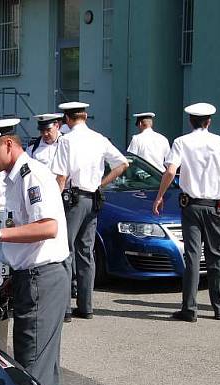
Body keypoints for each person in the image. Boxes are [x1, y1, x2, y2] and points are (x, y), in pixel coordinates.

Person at [0, 115, 68, 385]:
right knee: (40, 364)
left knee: (33, 368)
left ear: (8, 144)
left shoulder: (31, 176)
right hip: (32, 276)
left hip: (41, 278)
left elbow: (48, 227)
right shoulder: (15, 178)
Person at [152, 102, 220, 322]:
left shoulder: (182, 142)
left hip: (191, 205)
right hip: (216, 206)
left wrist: (159, 196)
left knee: (193, 256)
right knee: (218, 255)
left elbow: (170, 171)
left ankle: (189, 308)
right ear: (209, 121)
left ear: (190, 121)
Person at [51, 101, 128, 321]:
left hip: (73, 199)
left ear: (67, 119)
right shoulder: (99, 139)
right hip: (93, 198)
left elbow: (61, 177)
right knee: (86, 252)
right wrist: (101, 184)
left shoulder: (66, 141)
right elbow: (123, 164)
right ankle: (86, 306)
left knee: (65, 250)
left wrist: (54, 205)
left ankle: (65, 308)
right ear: (85, 116)